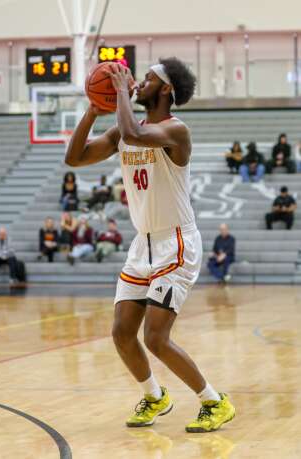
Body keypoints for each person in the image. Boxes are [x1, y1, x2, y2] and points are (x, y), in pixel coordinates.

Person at [65, 58, 235, 432]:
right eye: (137, 79)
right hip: (142, 245)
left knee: (155, 337)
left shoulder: (177, 131)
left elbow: (136, 135)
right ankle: (155, 396)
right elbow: (74, 158)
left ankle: (214, 401)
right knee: (121, 332)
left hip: (176, 242)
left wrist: (121, 92)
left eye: (147, 79)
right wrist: (93, 111)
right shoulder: (123, 130)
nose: (137, 83)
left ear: (166, 90)